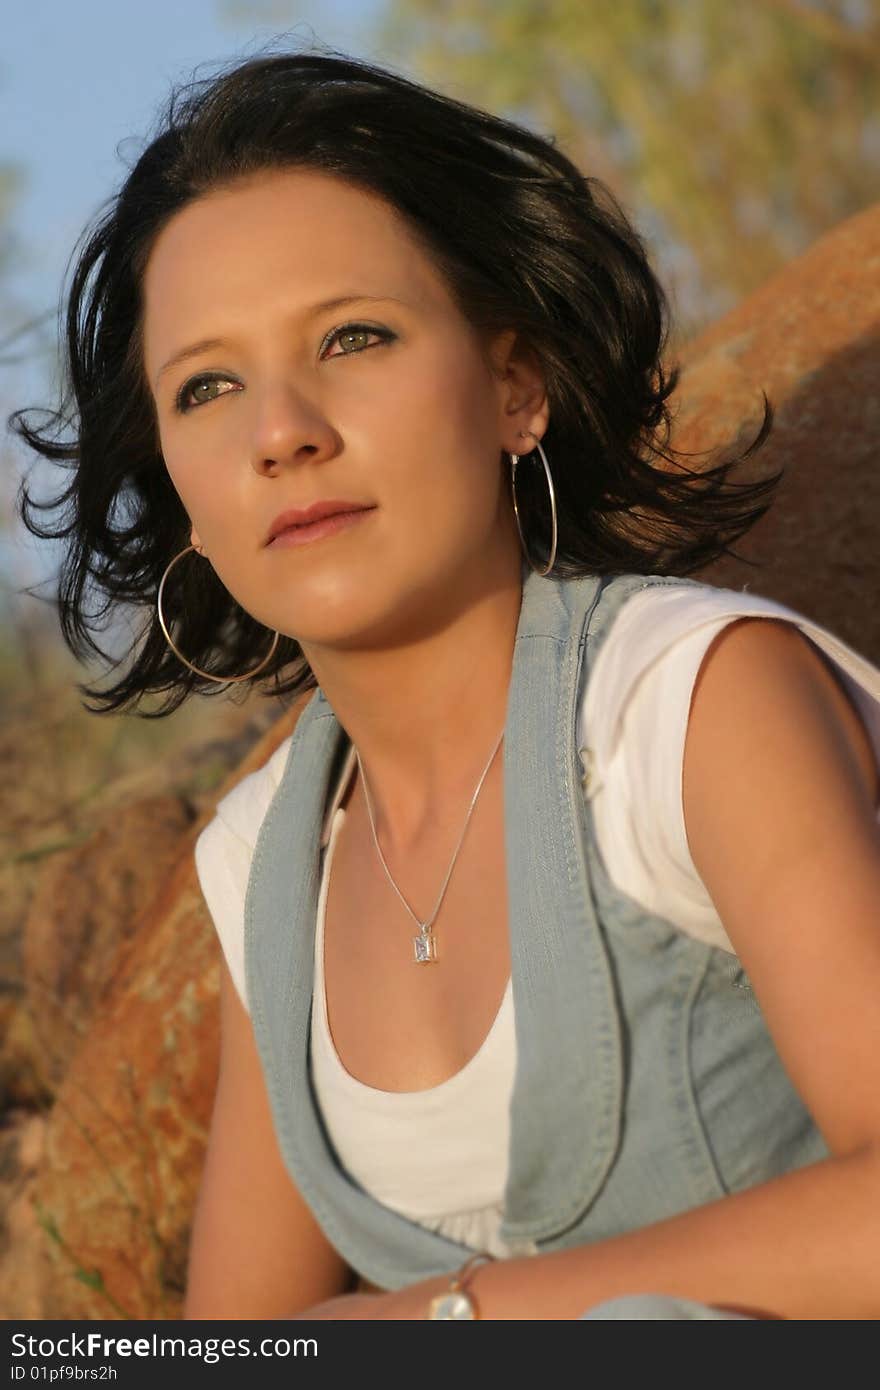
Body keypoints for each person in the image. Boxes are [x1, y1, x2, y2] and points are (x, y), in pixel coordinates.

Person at [12, 46, 880, 1322]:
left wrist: (453, 1315)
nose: (281, 431)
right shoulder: (267, 865)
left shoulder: (685, 704)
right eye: (208, 386)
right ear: (178, 486)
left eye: (352, 336)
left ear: (513, 386)